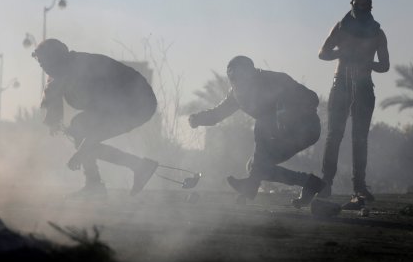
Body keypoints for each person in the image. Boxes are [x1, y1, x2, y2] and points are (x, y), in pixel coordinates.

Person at [189, 56, 323, 208]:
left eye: (241, 77)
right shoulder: (236, 94)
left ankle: (251, 184)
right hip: (281, 135)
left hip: (306, 129)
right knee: (257, 167)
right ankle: (309, 183)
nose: (238, 82)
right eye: (233, 78)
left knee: (263, 123)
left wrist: (288, 112)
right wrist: (197, 118)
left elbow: (312, 98)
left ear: (252, 73)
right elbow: (217, 114)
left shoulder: (276, 80)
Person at [34, 39, 159, 198]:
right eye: (40, 62)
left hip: (138, 104)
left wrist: (80, 154)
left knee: (80, 129)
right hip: (122, 105)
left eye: (45, 61)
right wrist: (53, 122)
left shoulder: (85, 72)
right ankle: (108, 179)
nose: (42, 66)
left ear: (57, 59)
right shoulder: (61, 73)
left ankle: (105, 180)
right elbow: (53, 94)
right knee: (78, 129)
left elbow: (99, 123)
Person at [318, 0, 389, 201]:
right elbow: (322, 53)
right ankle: (326, 184)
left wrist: (367, 63)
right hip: (341, 84)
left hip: (364, 85)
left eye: (365, 5)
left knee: (360, 138)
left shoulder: (377, 33)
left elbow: (385, 65)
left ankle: (359, 187)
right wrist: (341, 53)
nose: (361, 7)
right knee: (334, 135)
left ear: (370, 7)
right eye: (358, 4)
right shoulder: (340, 27)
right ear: (352, 5)